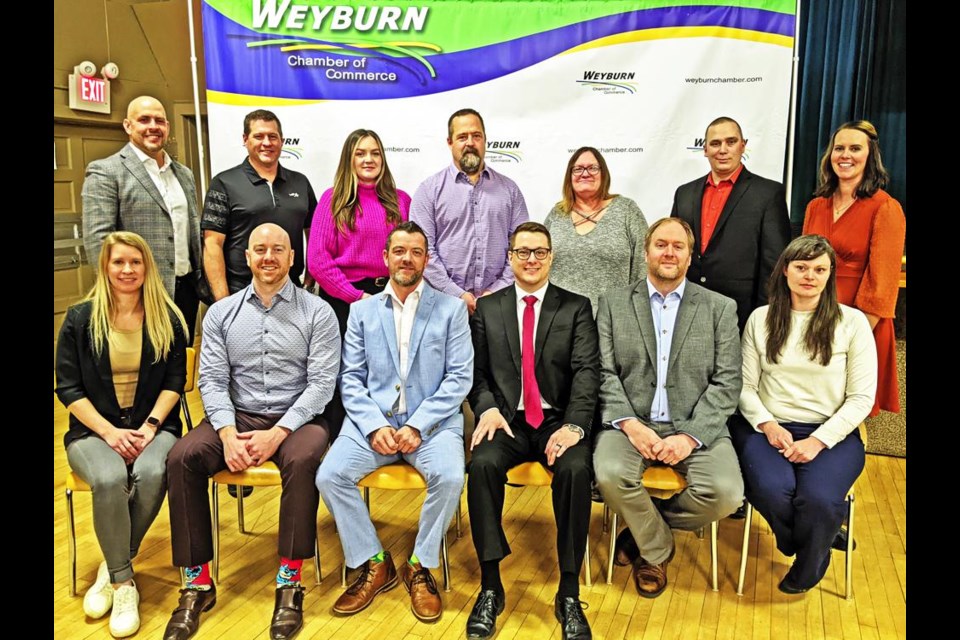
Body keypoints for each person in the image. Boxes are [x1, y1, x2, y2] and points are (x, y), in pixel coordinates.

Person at [163, 223, 340, 640]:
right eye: (259, 249)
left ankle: (289, 582)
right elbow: (211, 379)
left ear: (292, 257)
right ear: (246, 257)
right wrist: (225, 433)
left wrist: (277, 433)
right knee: (182, 457)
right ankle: (197, 583)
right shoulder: (223, 313)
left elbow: (321, 385)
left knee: (301, 458)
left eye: (278, 250)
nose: (268, 257)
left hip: (298, 419)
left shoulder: (318, 312)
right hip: (237, 416)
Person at [316, 221, 473, 622]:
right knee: (329, 475)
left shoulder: (451, 310)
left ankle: (419, 564)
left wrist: (417, 425)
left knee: (452, 476)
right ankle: (374, 560)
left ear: (426, 259)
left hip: (432, 426)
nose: (407, 258)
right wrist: (373, 426)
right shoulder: (361, 311)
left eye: (416, 252)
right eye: (399, 251)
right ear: (385, 258)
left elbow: (459, 378)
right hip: (375, 425)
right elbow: (349, 378)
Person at [593, 217, 744, 599]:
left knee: (726, 493)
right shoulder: (612, 304)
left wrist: (690, 437)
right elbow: (603, 373)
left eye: (678, 246)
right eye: (661, 244)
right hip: (631, 424)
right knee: (608, 474)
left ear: (690, 257)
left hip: (696, 426)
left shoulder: (720, 308)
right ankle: (657, 550)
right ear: (646, 252)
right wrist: (630, 425)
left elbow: (727, 382)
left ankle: (643, 532)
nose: (669, 252)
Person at [465, 221, 599, 640]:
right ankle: (491, 586)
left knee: (576, 471)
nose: (531, 259)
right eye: (523, 252)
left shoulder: (575, 307)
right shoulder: (489, 308)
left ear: (551, 256)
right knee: (482, 465)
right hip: (507, 420)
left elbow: (586, 373)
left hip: (557, 420)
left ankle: (570, 592)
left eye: (540, 251)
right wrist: (485, 410)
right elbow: (477, 372)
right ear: (510, 258)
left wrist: (576, 426)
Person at [56, 231, 188, 638]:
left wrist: (148, 428)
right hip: (93, 430)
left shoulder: (167, 316)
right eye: (119, 262)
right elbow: (68, 388)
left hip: (155, 426)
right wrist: (110, 432)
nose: (127, 270)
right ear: (105, 267)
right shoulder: (80, 319)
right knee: (111, 477)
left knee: (152, 472)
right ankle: (123, 583)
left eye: (135, 262)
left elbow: (175, 381)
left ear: (146, 266)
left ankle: (115, 565)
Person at [730, 235, 877, 594]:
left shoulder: (852, 323)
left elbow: (861, 398)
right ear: (785, 271)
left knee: (819, 500)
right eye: (801, 267)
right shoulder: (761, 319)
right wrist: (767, 424)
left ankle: (811, 562)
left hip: (832, 433)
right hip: (766, 427)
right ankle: (817, 537)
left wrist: (818, 440)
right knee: (770, 489)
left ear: (829, 275)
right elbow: (744, 387)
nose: (809, 275)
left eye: (819, 269)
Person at [802, 120, 905, 416]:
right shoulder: (816, 206)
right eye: (839, 148)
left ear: (870, 156)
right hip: (813, 317)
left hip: (859, 322)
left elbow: (882, 285)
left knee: (850, 409)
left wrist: (848, 339)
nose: (845, 155)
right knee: (813, 405)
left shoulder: (886, 208)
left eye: (855, 148)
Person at [82, 96, 203, 343]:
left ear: (167, 126)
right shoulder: (106, 171)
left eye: (159, 120)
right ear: (128, 125)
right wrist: (119, 294)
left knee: (180, 367)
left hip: (185, 291)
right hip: (139, 294)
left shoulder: (184, 174)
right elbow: (99, 243)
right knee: (145, 372)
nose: (153, 126)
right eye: (144, 120)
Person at [670, 116, 791, 332]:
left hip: (742, 316)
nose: (723, 150)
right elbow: (675, 251)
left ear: (743, 146)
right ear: (705, 149)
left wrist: (765, 318)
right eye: (715, 144)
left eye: (731, 142)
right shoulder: (684, 193)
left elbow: (774, 264)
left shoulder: (768, 193)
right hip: (687, 312)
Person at [410, 108, 529, 314]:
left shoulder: (510, 190)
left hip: (499, 306)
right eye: (462, 137)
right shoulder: (428, 191)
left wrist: (495, 292)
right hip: (441, 305)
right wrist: (457, 294)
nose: (470, 143)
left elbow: (522, 248)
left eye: (476, 136)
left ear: (485, 140)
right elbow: (422, 251)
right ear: (450, 142)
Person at [201, 109, 318, 301]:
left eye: (272, 136)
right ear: (245, 139)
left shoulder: (300, 182)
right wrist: (223, 301)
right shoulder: (224, 183)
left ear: (282, 141)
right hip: (240, 293)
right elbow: (212, 244)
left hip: (292, 293)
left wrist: (308, 285)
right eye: (258, 136)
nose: (266, 143)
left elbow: (314, 236)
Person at [307, 128, 412, 337]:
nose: (368, 159)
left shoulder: (401, 201)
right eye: (360, 153)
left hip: (393, 297)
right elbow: (318, 260)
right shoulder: (333, 200)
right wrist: (355, 296)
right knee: (349, 368)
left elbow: (413, 253)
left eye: (375, 153)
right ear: (349, 159)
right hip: (345, 301)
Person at [544, 146, 648, 314]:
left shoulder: (627, 210)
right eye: (578, 169)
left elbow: (643, 266)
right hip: (560, 320)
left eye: (593, 168)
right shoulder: (557, 214)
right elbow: (541, 262)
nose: (585, 173)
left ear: (603, 174)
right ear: (569, 177)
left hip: (614, 318)